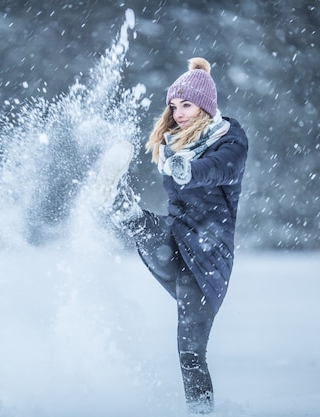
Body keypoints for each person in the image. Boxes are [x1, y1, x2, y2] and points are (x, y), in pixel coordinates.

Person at [97, 57, 248, 414]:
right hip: (174, 238)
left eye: (187, 105)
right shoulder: (173, 144)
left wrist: (189, 170)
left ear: (205, 107)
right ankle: (118, 201)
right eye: (174, 105)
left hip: (208, 261)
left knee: (190, 352)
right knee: (144, 225)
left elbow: (217, 170)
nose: (178, 113)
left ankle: (201, 412)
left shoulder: (230, 139)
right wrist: (177, 160)